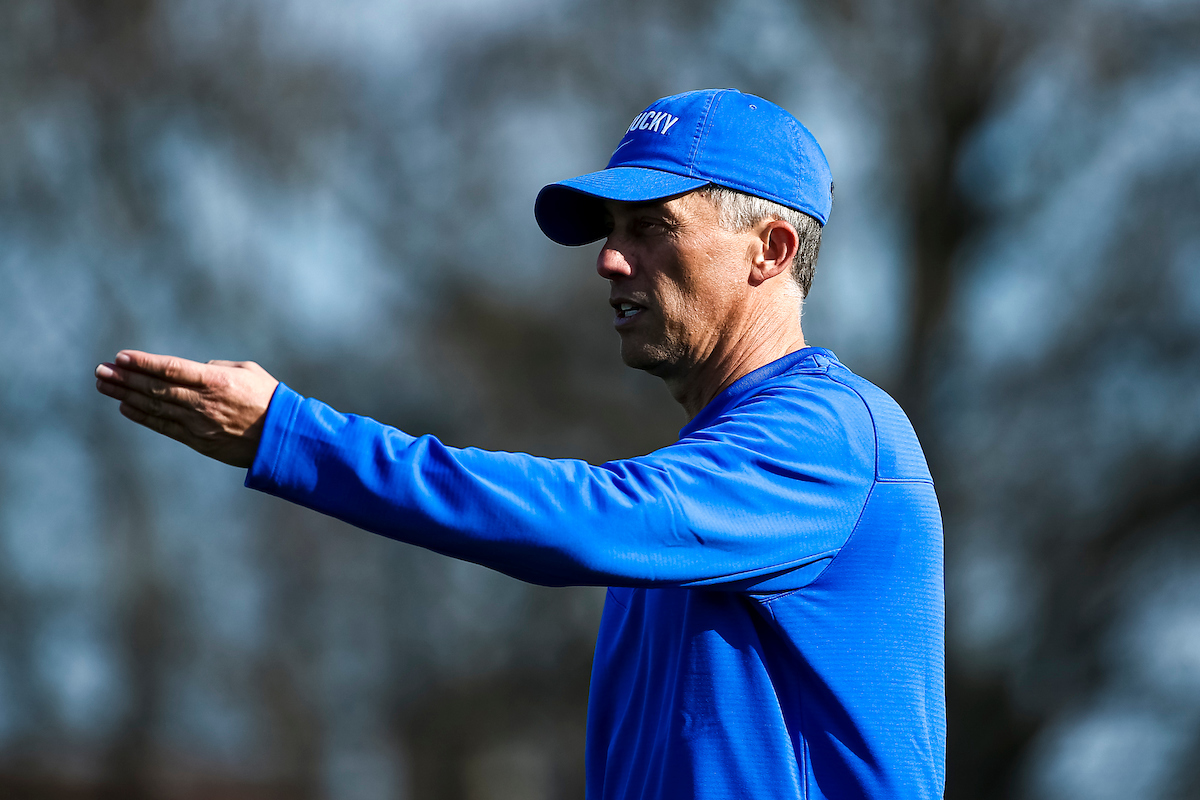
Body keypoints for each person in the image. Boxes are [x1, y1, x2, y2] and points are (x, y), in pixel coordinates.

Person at [95, 88, 946, 799]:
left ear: (771, 249)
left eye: (651, 226)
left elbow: (576, 520)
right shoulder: (723, 464)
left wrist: (292, 436)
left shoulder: (830, 435)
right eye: (610, 229)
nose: (611, 260)